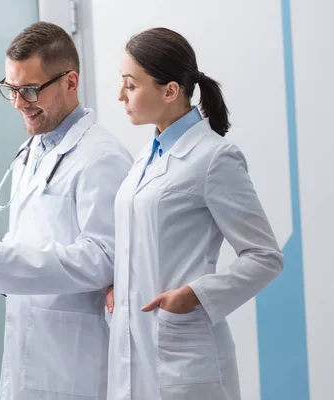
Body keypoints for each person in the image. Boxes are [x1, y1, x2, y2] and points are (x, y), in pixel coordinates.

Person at [0, 22, 132, 400]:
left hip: (74, 362)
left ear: (70, 82)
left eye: (29, 90)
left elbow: (105, 259)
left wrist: (1, 260)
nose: (18, 103)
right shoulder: (33, 151)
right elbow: (29, 246)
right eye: (11, 89)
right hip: (31, 353)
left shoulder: (102, 158)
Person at [106, 27, 283, 400]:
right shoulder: (146, 155)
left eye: (130, 84)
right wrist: (119, 285)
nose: (120, 95)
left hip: (182, 354)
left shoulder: (214, 157)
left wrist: (195, 295)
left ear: (170, 91)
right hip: (133, 347)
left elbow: (265, 257)